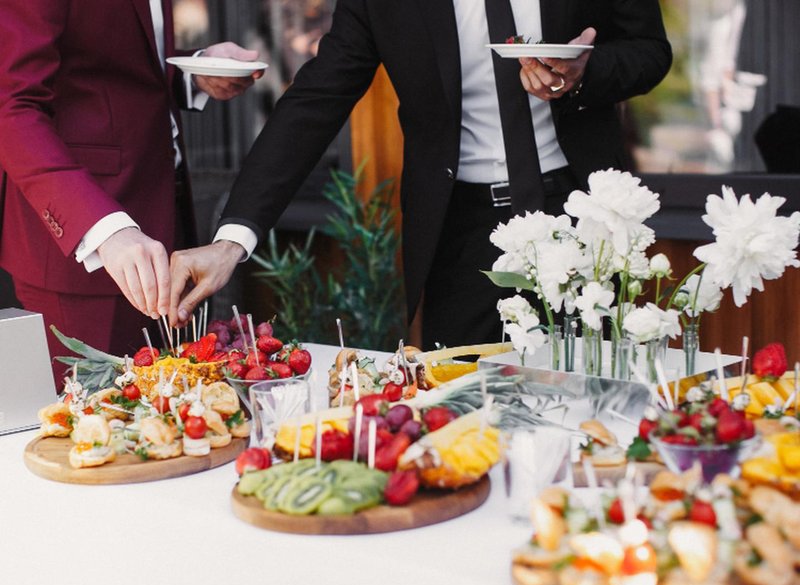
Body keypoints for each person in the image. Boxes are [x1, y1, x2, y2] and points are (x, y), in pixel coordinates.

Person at [168, 0, 672, 348]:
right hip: (465, 233)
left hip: (581, 210)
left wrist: (586, 72)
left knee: (599, 396)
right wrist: (232, 241)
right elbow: (317, 100)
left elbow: (650, 50)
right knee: (466, 415)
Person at [0, 0, 261, 379]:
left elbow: (107, 66)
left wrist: (191, 72)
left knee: (176, 414)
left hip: (167, 224)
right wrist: (104, 229)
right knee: (91, 425)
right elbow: (12, 107)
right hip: (87, 246)